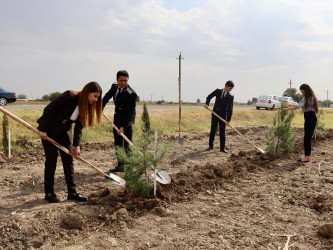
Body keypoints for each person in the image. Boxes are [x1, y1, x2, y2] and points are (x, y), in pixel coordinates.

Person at [37, 82, 103, 203]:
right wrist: (43, 129)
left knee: (69, 161)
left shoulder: (86, 106)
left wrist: (77, 145)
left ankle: (72, 193)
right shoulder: (70, 95)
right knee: (51, 161)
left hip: (64, 133)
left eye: (98, 97)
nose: (96, 99)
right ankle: (49, 192)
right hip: (50, 129)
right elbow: (49, 109)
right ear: (87, 93)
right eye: (95, 96)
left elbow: (79, 127)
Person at [103, 70, 137, 172]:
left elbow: (130, 112)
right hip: (117, 118)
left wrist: (123, 126)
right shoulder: (114, 86)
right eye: (121, 80)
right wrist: (100, 107)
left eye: (125, 80)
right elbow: (106, 97)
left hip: (128, 121)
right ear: (117, 80)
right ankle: (121, 166)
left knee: (127, 144)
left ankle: (130, 168)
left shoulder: (132, 94)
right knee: (118, 143)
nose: (123, 83)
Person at [285, 83, 318, 162]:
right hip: (307, 118)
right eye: (302, 92)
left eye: (303, 92)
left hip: (311, 118)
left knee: (307, 138)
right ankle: (307, 155)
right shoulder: (305, 98)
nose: (303, 93)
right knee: (306, 137)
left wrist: (288, 104)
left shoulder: (311, 98)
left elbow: (299, 106)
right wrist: (285, 109)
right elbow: (298, 105)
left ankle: (307, 157)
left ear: (307, 91)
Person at [204, 81, 234, 153]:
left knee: (222, 132)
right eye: (230, 88)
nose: (231, 90)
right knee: (213, 130)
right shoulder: (218, 91)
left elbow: (230, 108)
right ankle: (210, 146)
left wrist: (228, 120)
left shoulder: (230, 96)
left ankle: (222, 148)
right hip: (215, 113)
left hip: (223, 116)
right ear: (226, 86)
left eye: (231, 88)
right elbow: (209, 96)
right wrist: (207, 104)